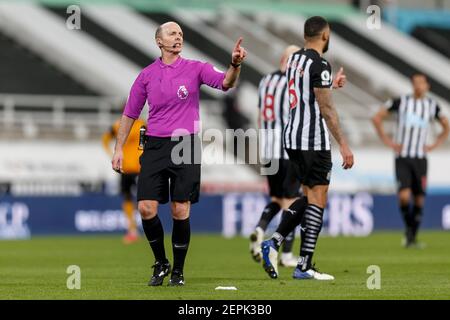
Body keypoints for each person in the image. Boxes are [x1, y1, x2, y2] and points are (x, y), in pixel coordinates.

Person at [111, 21, 246, 286]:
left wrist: (235, 65)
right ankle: (161, 262)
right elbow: (130, 113)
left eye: (181, 34)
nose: (178, 37)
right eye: (172, 33)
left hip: (186, 146)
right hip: (154, 145)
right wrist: (118, 149)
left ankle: (178, 271)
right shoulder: (147, 76)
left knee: (180, 210)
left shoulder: (197, 68)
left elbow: (226, 83)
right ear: (159, 41)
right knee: (146, 208)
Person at [260, 16, 353, 281]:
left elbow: (305, 91)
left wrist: (330, 84)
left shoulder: (295, 60)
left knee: (310, 197)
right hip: (313, 139)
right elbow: (326, 108)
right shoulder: (319, 62)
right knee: (318, 199)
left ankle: (275, 242)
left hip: (292, 138)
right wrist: (344, 144)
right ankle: (304, 264)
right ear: (325, 35)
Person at [372, 73, 449, 247]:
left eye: (421, 83)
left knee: (420, 199)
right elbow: (377, 118)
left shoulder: (432, 106)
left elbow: (446, 126)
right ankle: (409, 231)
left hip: (421, 159)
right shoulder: (400, 102)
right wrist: (387, 141)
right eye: (415, 83)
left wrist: (434, 144)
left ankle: (411, 237)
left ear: (427, 86)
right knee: (404, 197)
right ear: (412, 85)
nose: (418, 86)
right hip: (403, 157)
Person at [249, 45, 302, 268]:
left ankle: (260, 228)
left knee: (278, 199)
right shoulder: (293, 83)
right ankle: (287, 254)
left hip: (268, 149)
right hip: (287, 149)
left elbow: (261, 115)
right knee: (293, 202)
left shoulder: (265, 80)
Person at [102, 117, 145, 244]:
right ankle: (132, 230)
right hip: (125, 168)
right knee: (127, 197)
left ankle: (145, 228)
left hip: (139, 168)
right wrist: (113, 155)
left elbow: (105, 140)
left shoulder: (140, 124)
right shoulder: (119, 125)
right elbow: (105, 140)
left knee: (144, 199)